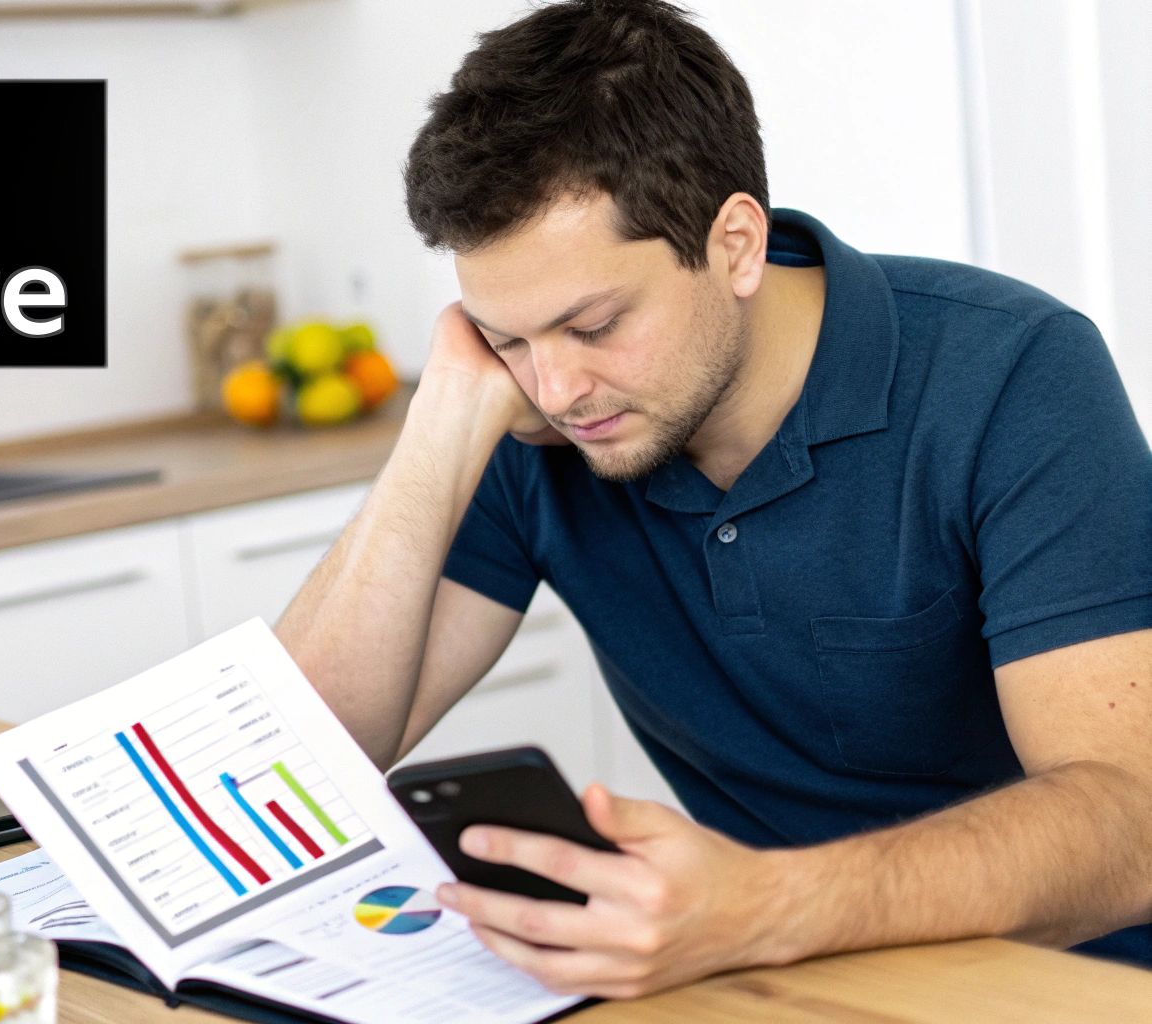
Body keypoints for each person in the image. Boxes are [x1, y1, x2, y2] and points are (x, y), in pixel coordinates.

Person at [275, 0, 1152, 999]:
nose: (555, 390)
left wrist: (764, 905)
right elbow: (301, 767)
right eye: (506, 336)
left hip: (1070, 988)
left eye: (592, 324)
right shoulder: (539, 419)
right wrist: (440, 421)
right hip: (760, 985)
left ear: (734, 243)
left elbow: (1132, 825)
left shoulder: (1010, 373)